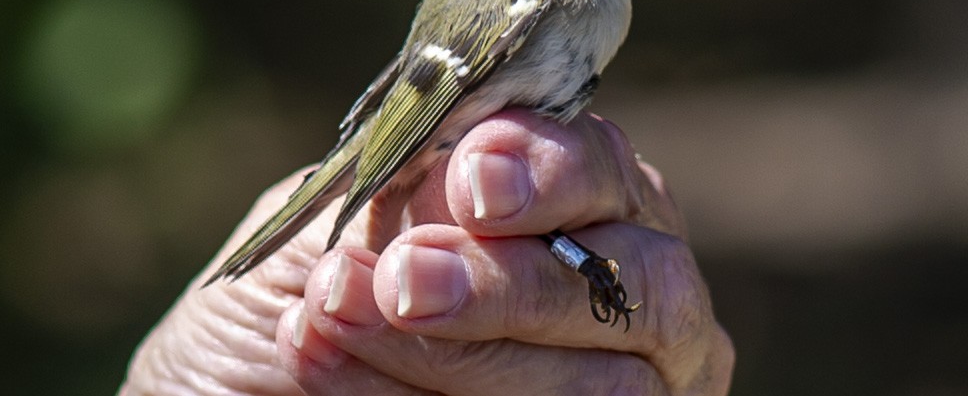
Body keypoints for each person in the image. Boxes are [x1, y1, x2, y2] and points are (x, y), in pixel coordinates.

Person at [119, 109, 734, 395]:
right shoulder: (521, 4)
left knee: (506, 203)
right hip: (428, 160)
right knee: (488, 196)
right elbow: (416, 97)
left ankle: (579, 262)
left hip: (466, 188)